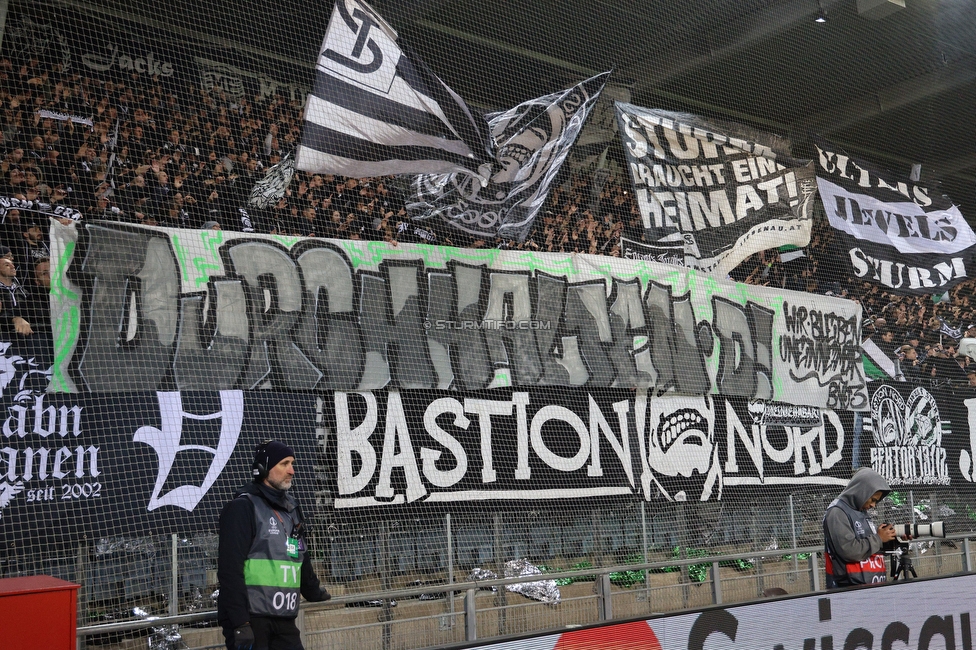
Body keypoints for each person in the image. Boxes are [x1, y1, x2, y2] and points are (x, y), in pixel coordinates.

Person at [217, 440, 331, 650]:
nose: (292, 471)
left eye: (292, 463)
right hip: (251, 618)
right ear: (262, 469)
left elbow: (300, 554)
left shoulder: (292, 508)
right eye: (284, 464)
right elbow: (229, 570)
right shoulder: (242, 507)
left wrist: (313, 591)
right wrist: (240, 622)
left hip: (283, 617)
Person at [822, 468, 898, 589]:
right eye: (873, 499)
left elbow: (870, 548)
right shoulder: (837, 512)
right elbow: (849, 550)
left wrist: (893, 539)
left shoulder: (860, 510)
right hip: (848, 591)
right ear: (862, 491)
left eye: (876, 502)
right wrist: (878, 538)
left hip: (870, 587)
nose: (873, 505)